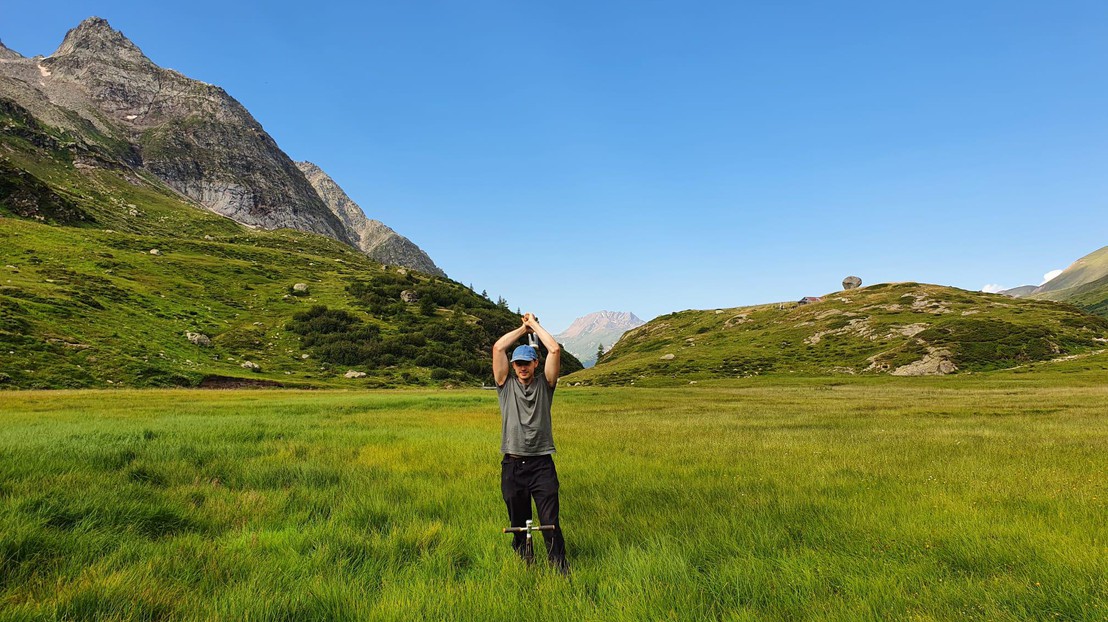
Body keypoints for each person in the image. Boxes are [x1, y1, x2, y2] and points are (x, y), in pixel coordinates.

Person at [492, 312, 567, 572]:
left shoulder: (546, 385)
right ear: (512, 366)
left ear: (536, 364)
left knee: (550, 521)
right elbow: (499, 347)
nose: (522, 368)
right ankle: (526, 565)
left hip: (542, 465)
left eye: (527, 363)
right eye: (518, 364)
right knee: (518, 521)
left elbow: (555, 349)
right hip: (512, 465)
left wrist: (535, 325)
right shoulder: (505, 384)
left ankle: (560, 569)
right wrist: (522, 329)